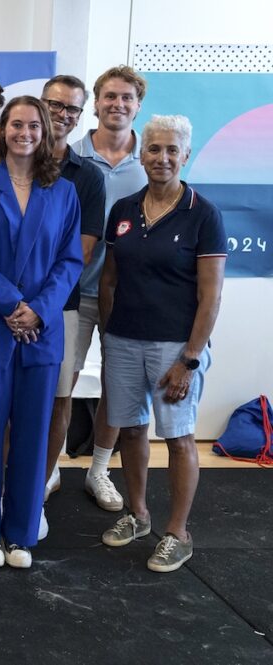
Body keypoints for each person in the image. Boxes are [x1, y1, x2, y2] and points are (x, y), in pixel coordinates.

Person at [0, 97, 81, 569]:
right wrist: (11, 305)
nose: (24, 132)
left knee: (33, 434)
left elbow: (70, 262)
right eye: (15, 124)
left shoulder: (64, 192)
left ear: (45, 132)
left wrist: (38, 311)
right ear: (2, 129)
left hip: (40, 332)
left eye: (33, 125)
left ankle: (22, 533)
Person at [99, 115, 226, 573]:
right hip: (124, 341)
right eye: (154, 149)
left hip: (176, 347)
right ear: (142, 153)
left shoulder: (203, 213)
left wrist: (189, 359)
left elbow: (210, 297)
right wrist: (110, 336)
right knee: (132, 430)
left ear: (185, 155)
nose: (162, 158)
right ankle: (137, 515)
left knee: (178, 438)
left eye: (172, 150)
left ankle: (177, 533)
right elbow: (109, 280)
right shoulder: (126, 210)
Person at [72, 65, 150, 513]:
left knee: (116, 388)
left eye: (126, 98)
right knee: (62, 386)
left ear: (138, 106)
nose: (117, 105)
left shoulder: (153, 164)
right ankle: (47, 471)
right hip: (74, 292)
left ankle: (98, 468)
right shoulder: (71, 157)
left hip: (126, 298)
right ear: (95, 103)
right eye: (109, 97)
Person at [38, 75, 106, 538]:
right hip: (7, 308)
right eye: (55, 105)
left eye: (72, 110)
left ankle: (38, 485)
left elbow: (81, 252)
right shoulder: (10, 160)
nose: (63, 115)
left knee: (59, 398)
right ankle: (8, 484)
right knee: (11, 404)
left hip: (62, 306)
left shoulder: (89, 177)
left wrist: (36, 301)